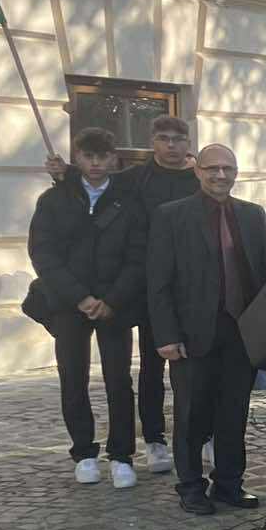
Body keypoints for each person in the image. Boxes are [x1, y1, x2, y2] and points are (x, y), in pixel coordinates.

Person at [146, 145, 266, 515]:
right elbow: (158, 281)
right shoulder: (172, 216)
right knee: (190, 414)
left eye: (227, 168)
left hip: (240, 333)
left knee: (234, 412)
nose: (220, 175)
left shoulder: (252, 215)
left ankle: (229, 484)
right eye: (212, 168)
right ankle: (190, 486)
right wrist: (166, 335)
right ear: (197, 171)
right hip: (192, 334)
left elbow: (262, 273)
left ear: (236, 172)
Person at [29, 127, 146, 487]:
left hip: (114, 305)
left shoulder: (129, 200)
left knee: (119, 381)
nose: (95, 163)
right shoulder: (54, 200)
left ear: (113, 159)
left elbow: (138, 256)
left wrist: (113, 300)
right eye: (88, 156)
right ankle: (83, 452)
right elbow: (43, 254)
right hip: (69, 304)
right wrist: (79, 296)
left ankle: (122, 455)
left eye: (102, 156)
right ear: (76, 158)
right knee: (73, 377)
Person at [111, 115, 197, 473]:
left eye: (178, 138)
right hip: (152, 287)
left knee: (197, 367)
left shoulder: (200, 177)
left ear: (188, 142)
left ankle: (201, 433)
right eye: (163, 138)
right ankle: (154, 439)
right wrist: (62, 174)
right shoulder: (135, 178)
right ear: (153, 141)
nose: (171, 145)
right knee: (152, 367)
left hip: (194, 286)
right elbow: (92, 181)